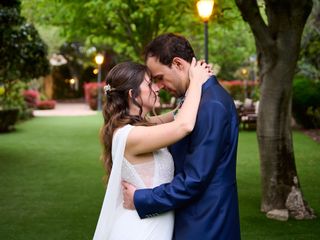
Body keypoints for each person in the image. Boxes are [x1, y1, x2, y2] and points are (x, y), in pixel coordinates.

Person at [122, 33, 241, 240]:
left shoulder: (211, 105)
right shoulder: (198, 99)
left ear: (178, 64)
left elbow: (195, 179)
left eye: (159, 77)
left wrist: (142, 199)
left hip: (205, 223)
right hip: (194, 218)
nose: (158, 86)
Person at [93, 60, 211, 240]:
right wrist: (195, 80)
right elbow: (184, 125)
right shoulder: (130, 135)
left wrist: (191, 82)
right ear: (133, 94)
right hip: (140, 231)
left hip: (151, 226)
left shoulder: (140, 126)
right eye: (150, 84)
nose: (157, 88)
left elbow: (178, 115)